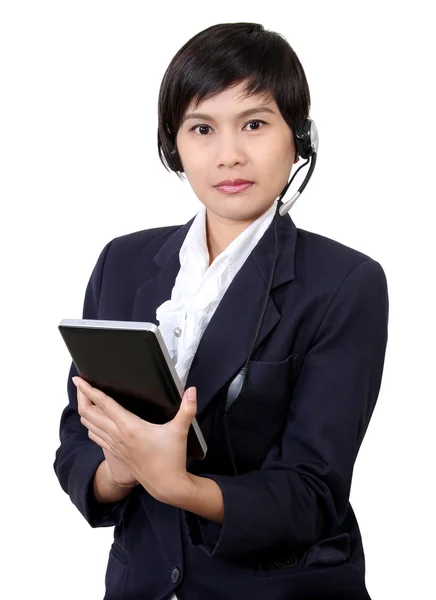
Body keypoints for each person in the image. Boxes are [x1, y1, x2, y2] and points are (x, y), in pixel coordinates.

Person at [53, 22, 389, 600]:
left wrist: (178, 485)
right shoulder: (124, 262)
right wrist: (121, 470)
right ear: (173, 146)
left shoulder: (345, 283)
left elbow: (312, 493)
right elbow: (76, 441)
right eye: (202, 128)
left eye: (254, 124)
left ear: (299, 139)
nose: (229, 154)